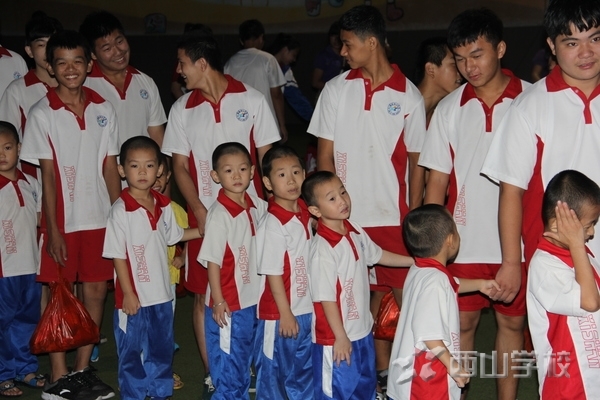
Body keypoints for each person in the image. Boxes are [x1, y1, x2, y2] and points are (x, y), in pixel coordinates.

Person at [480, 1, 600, 390]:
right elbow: (511, 191)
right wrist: (511, 262)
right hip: (561, 262)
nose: (586, 52)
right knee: (570, 368)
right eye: (572, 42)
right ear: (551, 45)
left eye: (595, 39)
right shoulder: (530, 105)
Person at [308, 6, 427, 396]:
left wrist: (413, 216)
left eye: (348, 44)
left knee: (406, 301)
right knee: (358, 301)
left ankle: (409, 376)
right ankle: (374, 376)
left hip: (393, 218)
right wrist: (331, 214)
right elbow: (324, 157)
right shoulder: (335, 89)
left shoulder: (408, 95)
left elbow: (416, 165)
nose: (342, 51)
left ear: (371, 42)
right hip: (346, 219)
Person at [419, 9, 530, 399]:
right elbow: (437, 181)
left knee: (512, 327)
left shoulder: (532, 99)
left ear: (500, 49)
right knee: (461, 326)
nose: (469, 67)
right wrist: (433, 249)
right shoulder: (450, 108)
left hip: (517, 243)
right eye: (460, 58)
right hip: (461, 242)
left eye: (477, 55)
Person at [19, 30, 120, 400]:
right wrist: (53, 229)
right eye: (61, 63)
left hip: (100, 219)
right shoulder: (42, 113)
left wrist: (120, 216)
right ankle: (58, 377)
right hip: (62, 221)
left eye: (78, 61)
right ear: (50, 67)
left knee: (95, 292)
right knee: (58, 295)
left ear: (89, 64)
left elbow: (110, 167)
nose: (71, 69)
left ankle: (81, 370)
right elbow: (47, 176)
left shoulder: (103, 108)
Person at [301, 170, 414, 400]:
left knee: (364, 388)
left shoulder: (355, 230)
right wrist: (340, 337)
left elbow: (379, 255)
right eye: (332, 198)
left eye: (343, 192)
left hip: (361, 332)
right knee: (336, 393)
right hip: (335, 339)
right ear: (315, 211)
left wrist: (414, 261)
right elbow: (326, 299)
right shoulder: (323, 250)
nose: (342, 200)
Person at [102, 136, 201, 400]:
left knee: (161, 349)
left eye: (149, 165)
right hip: (133, 299)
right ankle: (133, 395)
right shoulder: (120, 211)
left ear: (159, 170)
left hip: (162, 295)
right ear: (122, 170)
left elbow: (175, 236)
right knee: (131, 352)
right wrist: (128, 293)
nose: (142, 172)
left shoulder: (164, 205)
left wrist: (204, 229)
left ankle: (159, 393)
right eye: (134, 166)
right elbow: (117, 256)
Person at [387, 204, 501, 399]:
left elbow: (451, 284)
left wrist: (480, 284)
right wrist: (453, 366)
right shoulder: (436, 282)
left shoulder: (421, 269)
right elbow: (428, 334)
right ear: (450, 240)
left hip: (409, 375)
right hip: (426, 379)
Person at [198, 142, 268, 399]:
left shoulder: (258, 205)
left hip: (254, 301)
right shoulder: (219, 215)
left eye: (242, 169)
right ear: (216, 176)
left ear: (252, 171)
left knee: (245, 361)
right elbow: (212, 261)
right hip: (229, 305)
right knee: (229, 369)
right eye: (228, 170)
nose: (237, 176)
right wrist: (218, 301)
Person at [527, 170, 600, 399]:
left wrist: (579, 247)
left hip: (591, 378)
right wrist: (577, 245)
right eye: (588, 226)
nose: (592, 232)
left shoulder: (583, 255)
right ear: (559, 224)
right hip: (567, 386)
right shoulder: (544, 266)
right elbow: (590, 303)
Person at [255, 146, 313, 399]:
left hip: (307, 308)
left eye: (296, 172)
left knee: (304, 372)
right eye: (281, 175)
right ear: (268, 183)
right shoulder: (273, 223)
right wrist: (285, 313)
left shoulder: (305, 211)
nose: (291, 180)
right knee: (274, 375)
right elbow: (272, 273)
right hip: (279, 314)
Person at [0, 121, 44, 397]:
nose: (2, 154)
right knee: (3, 321)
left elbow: (40, 219)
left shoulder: (31, 183)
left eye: (7, 147)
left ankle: (25, 368)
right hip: (4, 268)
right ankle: (3, 373)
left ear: (19, 148)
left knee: (27, 319)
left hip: (31, 266)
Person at [79, 10, 167, 147]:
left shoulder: (145, 82)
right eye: (107, 48)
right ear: (93, 54)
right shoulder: (83, 85)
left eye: (120, 41)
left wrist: (163, 161)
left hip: (141, 161)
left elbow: (157, 135)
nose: (118, 51)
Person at [0, 12, 63, 157]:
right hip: (32, 170)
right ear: (29, 50)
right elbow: (4, 138)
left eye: (53, 43)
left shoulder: (76, 85)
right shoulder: (17, 90)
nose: (48, 50)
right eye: (41, 44)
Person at [152, 154, 188, 391]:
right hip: (142, 281)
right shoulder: (127, 208)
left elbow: (189, 236)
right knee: (141, 328)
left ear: (168, 177)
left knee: (164, 327)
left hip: (168, 280)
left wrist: (183, 257)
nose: (155, 180)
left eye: (160, 175)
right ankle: (142, 371)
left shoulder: (175, 210)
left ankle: (163, 370)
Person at [224, 19, 287, 142]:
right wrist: (282, 125)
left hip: (238, 121)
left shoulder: (230, 63)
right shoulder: (268, 59)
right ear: (261, 38)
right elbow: (276, 95)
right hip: (265, 121)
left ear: (241, 40)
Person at [414, 36, 461, 126]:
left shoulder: (443, 117)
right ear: (431, 69)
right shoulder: (403, 109)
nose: (461, 70)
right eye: (454, 65)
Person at [267, 33, 314, 122]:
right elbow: (296, 97)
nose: (294, 60)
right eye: (294, 55)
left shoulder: (283, 70)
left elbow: (296, 97)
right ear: (285, 50)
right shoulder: (283, 70)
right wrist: (315, 118)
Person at [170, 23, 214, 100]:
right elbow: (175, 88)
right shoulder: (183, 62)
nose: (178, 70)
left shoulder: (212, 59)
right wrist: (187, 104)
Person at [311, 22, 344, 95]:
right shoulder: (323, 56)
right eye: (333, 36)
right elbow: (315, 82)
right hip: (327, 94)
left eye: (338, 36)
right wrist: (334, 90)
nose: (336, 40)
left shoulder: (348, 54)